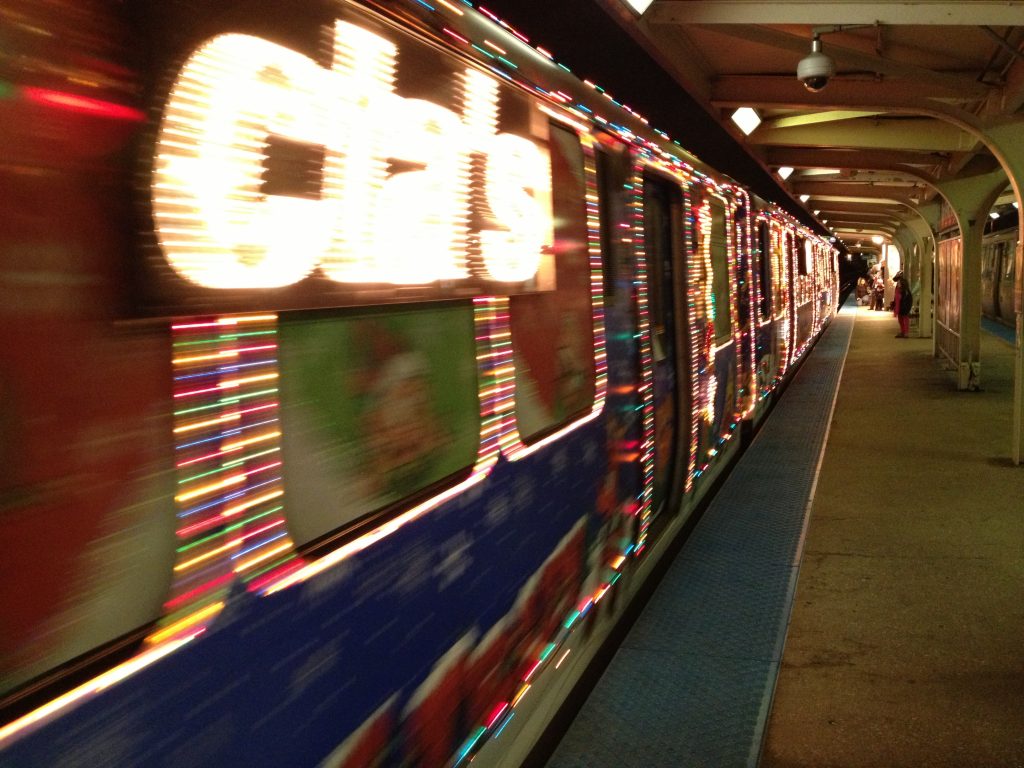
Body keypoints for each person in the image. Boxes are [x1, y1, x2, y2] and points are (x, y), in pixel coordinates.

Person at [893, 272, 913, 337]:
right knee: (902, 318)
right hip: (904, 304)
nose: (898, 284)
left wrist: (897, 308)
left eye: (899, 283)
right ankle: (904, 332)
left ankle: (905, 332)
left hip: (904, 304)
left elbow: (899, 299)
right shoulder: (903, 289)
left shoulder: (903, 290)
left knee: (904, 318)